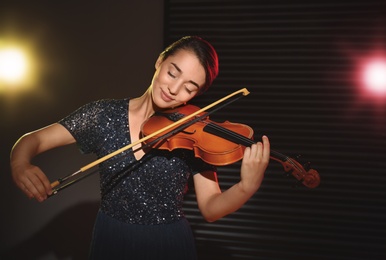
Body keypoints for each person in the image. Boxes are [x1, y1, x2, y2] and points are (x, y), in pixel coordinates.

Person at [10, 36, 270, 259]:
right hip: (111, 237)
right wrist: (20, 162)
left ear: (196, 95)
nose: (174, 89)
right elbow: (34, 140)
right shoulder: (103, 114)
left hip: (167, 242)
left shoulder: (192, 133)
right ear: (159, 61)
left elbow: (211, 208)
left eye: (189, 88)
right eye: (172, 72)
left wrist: (246, 186)